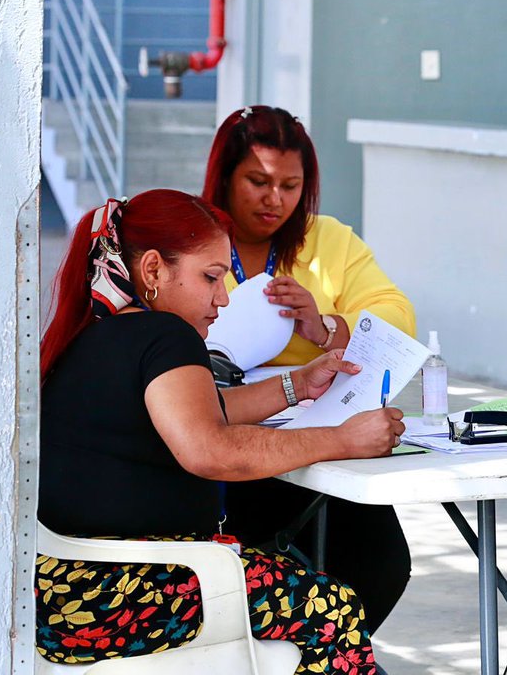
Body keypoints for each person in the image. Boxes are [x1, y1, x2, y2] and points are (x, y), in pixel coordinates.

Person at [36, 189, 406, 673]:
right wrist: (343, 440)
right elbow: (210, 448)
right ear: (153, 271)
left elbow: (199, 411)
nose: (223, 297)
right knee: (333, 609)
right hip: (126, 589)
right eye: (210, 277)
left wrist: (297, 384)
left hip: (64, 591)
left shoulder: (97, 332)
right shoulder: (166, 335)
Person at [201, 105, 416, 634]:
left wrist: (326, 328)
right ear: (224, 177)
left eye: (291, 185)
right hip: (220, 440)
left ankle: (324, 659)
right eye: (258, 181)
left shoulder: (329, 241)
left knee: (379, 565)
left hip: (323, 437)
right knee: (241, 576)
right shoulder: (194, 236)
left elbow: (397, 315)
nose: (275, 199)